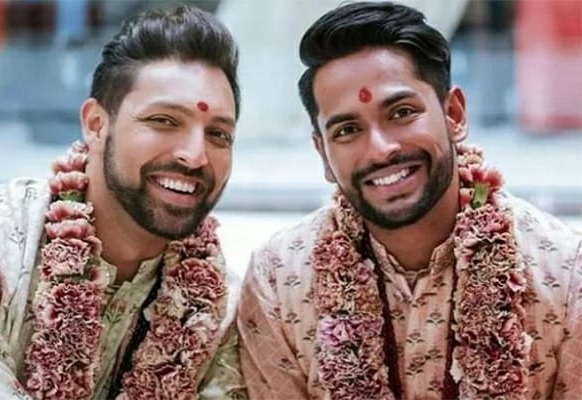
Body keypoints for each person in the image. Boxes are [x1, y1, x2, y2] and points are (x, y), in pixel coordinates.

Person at [237, 2, 582, 399]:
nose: (380, 150)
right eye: (347, 130)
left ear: (454, 115)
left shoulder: (563, 272)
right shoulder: (279, 279)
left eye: (401, 112)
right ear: (324, 155)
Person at [0, 4, 246, 399]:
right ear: (95, 125)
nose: (195, 155)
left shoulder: (221, 314)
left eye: (218, 135)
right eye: (164, 121)